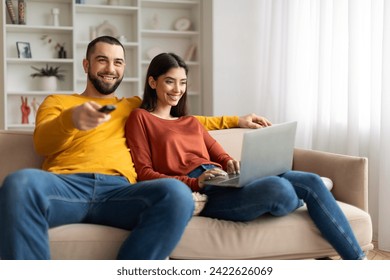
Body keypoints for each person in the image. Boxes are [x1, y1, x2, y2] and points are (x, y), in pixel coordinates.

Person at [0, 36, 267, 260]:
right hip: (66, 187)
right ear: (86, 64)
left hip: (120, 191)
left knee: (176, 192)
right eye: (102, 60)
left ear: (124, 67)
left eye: (117, 62)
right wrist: (72, 120)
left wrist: (235, 120)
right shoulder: (58, 102)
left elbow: (180, 121)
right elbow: (42, 142)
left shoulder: (133, 106)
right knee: (20, 182)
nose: (110, 68)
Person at [125, 52, 367, 260]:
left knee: (312, 181)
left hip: (223, 179)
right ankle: (296, 197)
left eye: (183, 82)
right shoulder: (141, 118)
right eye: (170, 82)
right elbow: (144, 173)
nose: (177, 90)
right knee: (277, 188)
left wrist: (231, 163)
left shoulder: (190, 121)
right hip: (202, 192)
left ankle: (357, 261)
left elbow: (218, 153)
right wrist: (195, 182)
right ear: (153, 82)